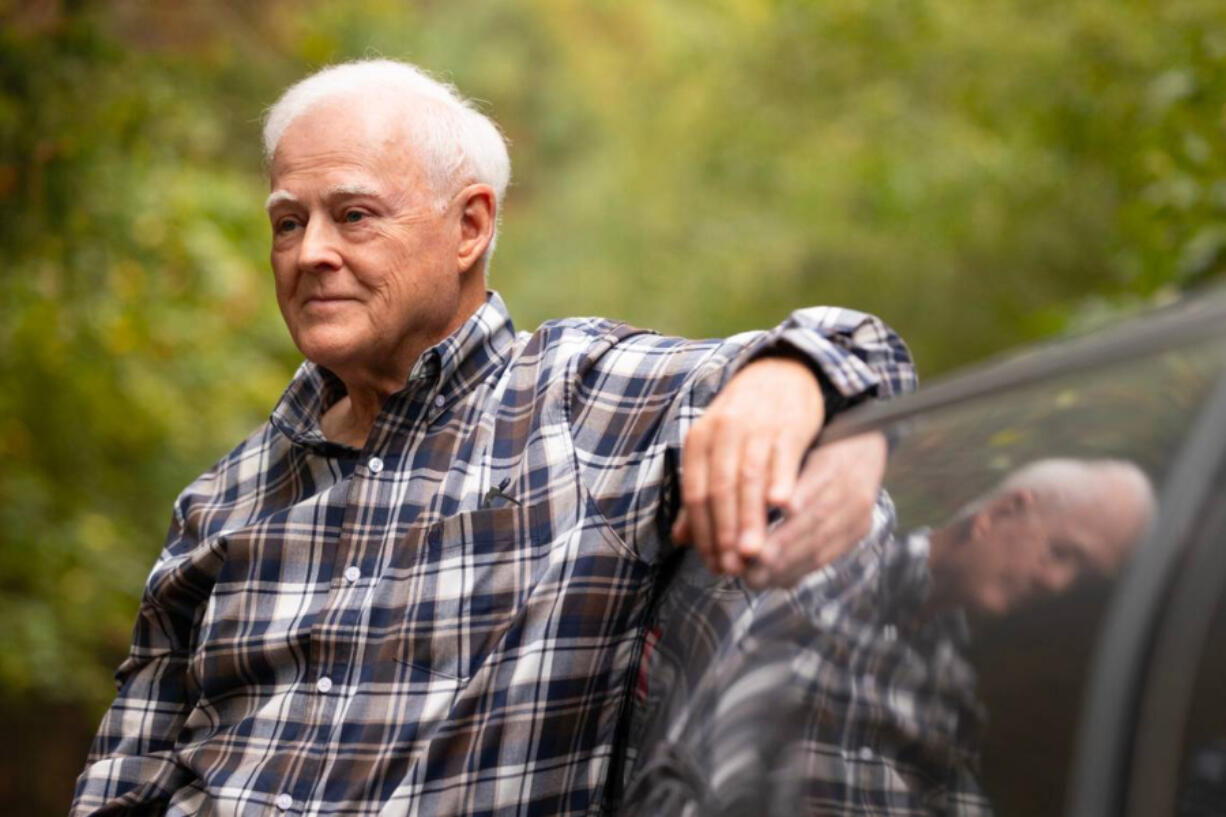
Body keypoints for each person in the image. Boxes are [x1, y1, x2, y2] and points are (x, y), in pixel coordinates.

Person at [69, 60, 916, 816]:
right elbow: (124, 780)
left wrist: (786, 382)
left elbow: (856, 350)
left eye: (353, 215)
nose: (309, 252)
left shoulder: (583, 401)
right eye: (288, 223)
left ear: (470, 226)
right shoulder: (223, 501)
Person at [622, 456, 1155, 816]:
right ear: (1004, 511)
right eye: (1063, 555)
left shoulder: (953, 692)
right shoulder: (829, 553)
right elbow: (677, 768)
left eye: (1082, 580)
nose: (1057, 585)